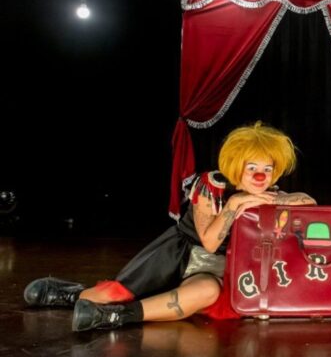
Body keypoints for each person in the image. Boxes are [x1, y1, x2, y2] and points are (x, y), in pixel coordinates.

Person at [24, 121, 315, 331]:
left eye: (267, 169)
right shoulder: (211, 185)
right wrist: (233, 205)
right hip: (179, 255)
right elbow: (209, 242)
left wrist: (282, 199)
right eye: (252, 168)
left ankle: (117, 317)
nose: (260, 176)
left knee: (206, 292)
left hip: (216, 270)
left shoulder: (271, 195)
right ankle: (73, 294)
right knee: (112, 294)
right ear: (237, 165)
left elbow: (310, 203)